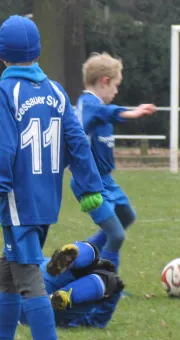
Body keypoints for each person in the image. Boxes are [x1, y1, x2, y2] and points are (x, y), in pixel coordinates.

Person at [0, 15, 104, 340]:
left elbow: (3, 148)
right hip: (46, 202)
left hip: (17, 201)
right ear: (37, 50)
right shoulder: (56, 91)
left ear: (1, 55)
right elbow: (77, 142)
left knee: (26, 275)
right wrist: (89, 188)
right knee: (7, 272)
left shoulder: (2, 92)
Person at [71, 52, 156, 273]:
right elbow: (105, 112)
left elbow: (105, 114)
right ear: (104, 82)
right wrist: (131, 113)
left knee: (127, 216)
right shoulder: (88, 103)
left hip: (106, 180)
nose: (116, 92)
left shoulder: (96, 107)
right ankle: (106, 284)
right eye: (116, 86)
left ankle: (78, 256)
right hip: (90, 184)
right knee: (116, 235)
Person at [19, 241, 125, 329]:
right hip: (35, 310)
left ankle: (75, 256)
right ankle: (67, 295)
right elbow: (95, 321)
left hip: (20, 285)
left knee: (91, 254)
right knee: (109, 281)